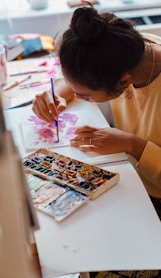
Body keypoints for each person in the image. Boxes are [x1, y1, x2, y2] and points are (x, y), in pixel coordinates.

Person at [32, 3, 161, 276]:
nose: (81, 99)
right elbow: (87, 71)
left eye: (86, 96)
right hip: (133, 181)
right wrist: (60, 94)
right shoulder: (129, 50)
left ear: (124, 81)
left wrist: (133, 144)